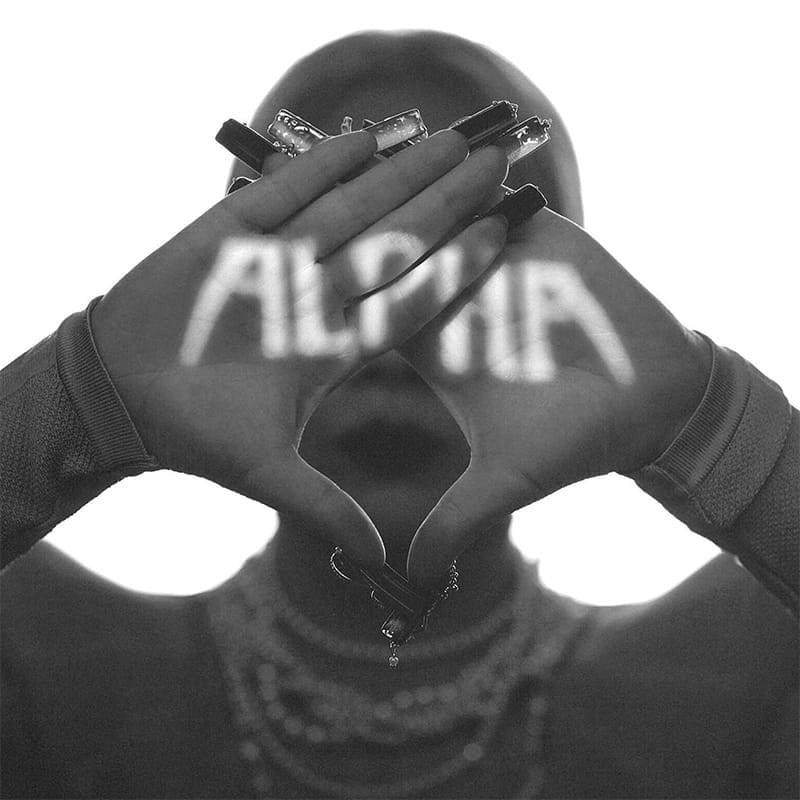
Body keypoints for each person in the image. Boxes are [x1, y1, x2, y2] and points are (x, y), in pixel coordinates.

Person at [0, 29, 796, 800]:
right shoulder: (42, 662)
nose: (387, 343)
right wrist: (72, 401)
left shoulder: (742, 677)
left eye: (461, 259)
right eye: (333, 265)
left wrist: (712, 428)